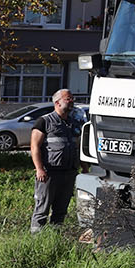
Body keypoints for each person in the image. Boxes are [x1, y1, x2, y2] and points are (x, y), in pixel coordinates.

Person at [28, 87, 83, 232]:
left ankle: (55, 239)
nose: (72, 101)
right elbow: (34, 147)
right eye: (68, 99)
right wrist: (39, 169)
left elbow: (78, 147)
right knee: (42, 209)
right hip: (49, 174)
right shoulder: (44, 122)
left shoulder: (73, 123)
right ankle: (36, 241)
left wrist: (84, 167)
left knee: (61, 210)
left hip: (68, 173)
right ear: (57, 103)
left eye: (72, 99)